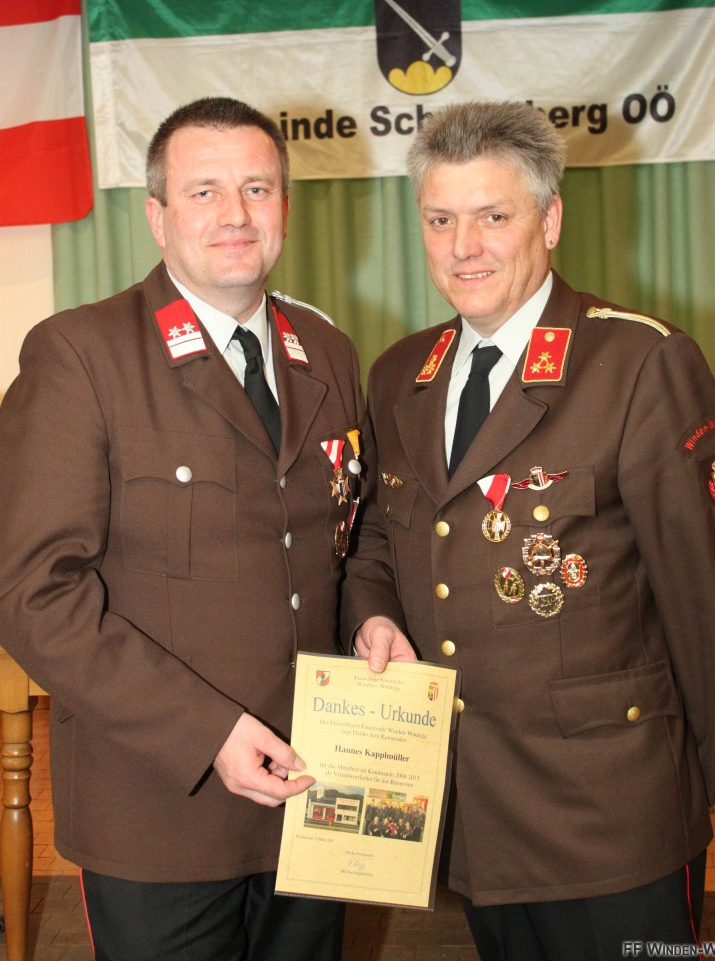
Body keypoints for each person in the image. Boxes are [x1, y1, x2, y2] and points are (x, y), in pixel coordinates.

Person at [0, 96, 413, 961]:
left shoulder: (326, 352)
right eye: (204, 192)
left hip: (315, 795)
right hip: (162, 809)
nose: (236, 214)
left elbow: (357, 528)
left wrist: (373, 614)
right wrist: (207, 734)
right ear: (157, 216)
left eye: (257, 189)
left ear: (285, 209)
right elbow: (33, 595)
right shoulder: (82, 355)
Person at [366, 100, 715, 960]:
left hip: (615, 822)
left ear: (549, 220)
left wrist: (677, 787)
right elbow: (377, 543)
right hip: (479, 818)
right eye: (440, 220)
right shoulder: (401, 376)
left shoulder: (639, 364)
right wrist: (375, 616)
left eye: (493, 216)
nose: (464, 246)